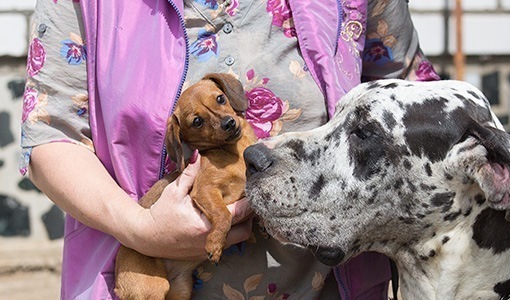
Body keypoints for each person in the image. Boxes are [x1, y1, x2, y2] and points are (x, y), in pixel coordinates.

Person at [21, 0, 440, 299]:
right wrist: (139, 228)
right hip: (154, 278)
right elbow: (49, 134)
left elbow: (412, 95)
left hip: (335, 284)